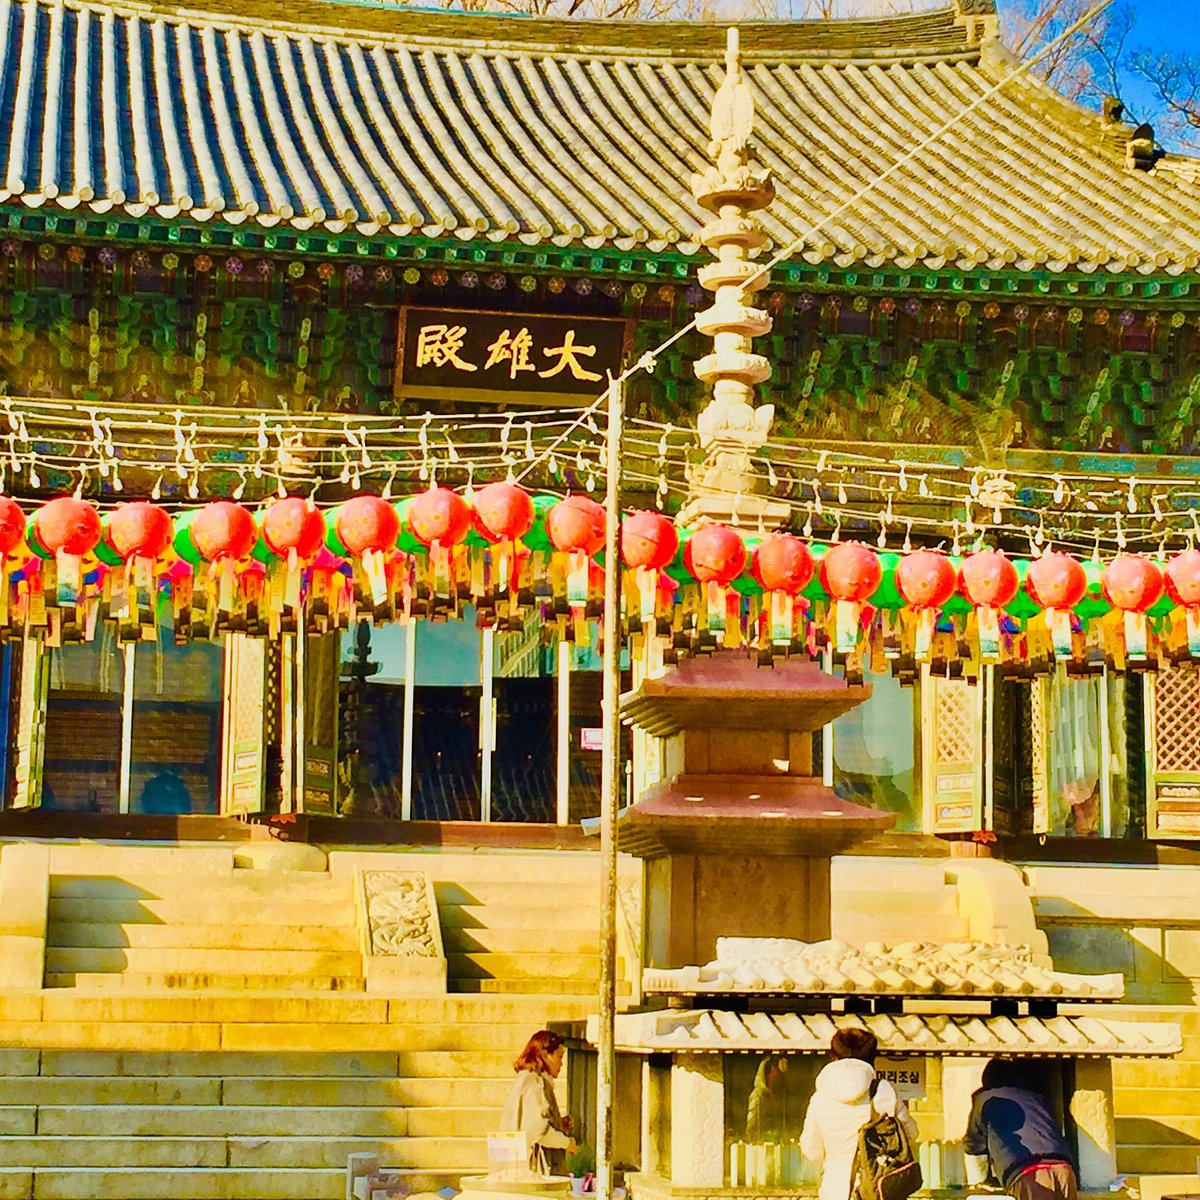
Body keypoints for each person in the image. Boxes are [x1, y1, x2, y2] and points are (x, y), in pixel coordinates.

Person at [800, 1028, 918, 1200]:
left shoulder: (820, 1098)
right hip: (876, 1190)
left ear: (833, 1056)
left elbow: (812, 1152)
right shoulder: (882, 1091)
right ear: (871, 1057)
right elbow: (911, 1134)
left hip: (834, 1192)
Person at [964, 1060, 1078, 1200]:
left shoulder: (985, 1099)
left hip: (1028, 1173)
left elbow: (974, 1144)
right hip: (1064, 1169)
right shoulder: (1037, 1097)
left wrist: (979, 1181)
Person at [500, 1030, 576, 1176]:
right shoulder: (535, 1083)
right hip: (530, 1173)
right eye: (559, 1057)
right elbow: (539, 1131)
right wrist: (567, 1143)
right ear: (545, 1055)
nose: (561, 1063)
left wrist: (558, 1123)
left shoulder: (528, 1081)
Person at [746, 1054, 791, 1142]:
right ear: (768, 1073)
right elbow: (752, 1124)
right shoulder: (757, 1096)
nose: (777, 1074)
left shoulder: (780, 1095)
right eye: (775, 1071)